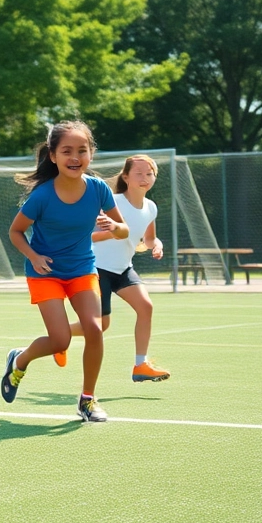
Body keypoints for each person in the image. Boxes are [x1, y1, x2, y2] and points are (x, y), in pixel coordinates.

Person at [1, 121, 129, 423]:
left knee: (95, 329)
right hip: (45, 273)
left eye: (82, 150)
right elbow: (16, 232)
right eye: (67, 151)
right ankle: (19, 360)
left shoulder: (98, 189)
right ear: (53, 157)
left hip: (82, 269)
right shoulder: (43, 196)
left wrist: (115, 227)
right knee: (60, 341)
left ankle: (87, 399)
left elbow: (123, 230)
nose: (75, 157)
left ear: (91, 154)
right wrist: (33, 256)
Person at [66, 154, 170, 382]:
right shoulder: (112, 202)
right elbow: (86, 236)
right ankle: (59, 337)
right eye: (139, 173)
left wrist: (157, 245)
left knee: (146, 307)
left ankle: (140, 365)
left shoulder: (151, 208)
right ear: (126, 177)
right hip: (97, 268)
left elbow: (149, 238)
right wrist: (112, 232)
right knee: (101, 325)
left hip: (123, 268)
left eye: (149, 173)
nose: (145, 178)